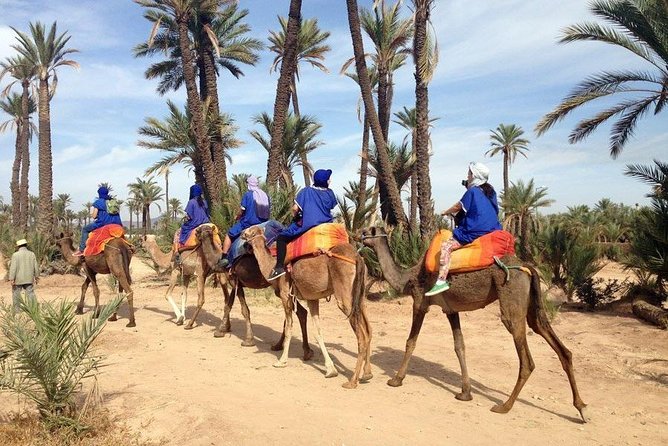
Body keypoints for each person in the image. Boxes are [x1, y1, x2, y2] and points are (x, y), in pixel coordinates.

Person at [425, 162, 502, 296]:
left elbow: (458, 207)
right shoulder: (491, 192)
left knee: (446, 247)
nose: (467, 175)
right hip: (494, 228)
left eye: (469, 173)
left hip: (475, 229)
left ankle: (441, 281)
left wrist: (444, 212)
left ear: (474, 176)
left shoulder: (472, 191)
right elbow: (495, 210)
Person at [268, 169, 337, 281]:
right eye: (328, 179)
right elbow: (331, 207)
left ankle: (279, 267)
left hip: (308, 225)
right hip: (326, 225)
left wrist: (296, 216)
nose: (330, 180)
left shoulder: (306, 191)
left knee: (281, 238)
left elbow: (295, 209)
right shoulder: (330, 193)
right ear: (325, 181)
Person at [217, 175, 270, 268]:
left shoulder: (248, 195)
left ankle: (224, 257)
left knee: (229, 235)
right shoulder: (264, 195)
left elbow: (242, 211)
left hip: (248, 223)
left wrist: (237, 217)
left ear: (249, 184)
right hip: (263, 223)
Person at [74, 186, 122, 256]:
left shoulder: (98, 202)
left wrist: (95, 214)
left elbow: (94, 216)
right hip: (117, 224)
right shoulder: (113, 202)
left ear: (99, 193)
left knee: (85, 229)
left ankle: (81, 250)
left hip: (103, 223)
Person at [175, 184, 210, 263]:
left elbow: (189, 216)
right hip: (206, 223)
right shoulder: (204, 202)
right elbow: (207, 214)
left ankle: (177, 252)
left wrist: (186, 219)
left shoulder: (191, 202)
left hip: (195, 224)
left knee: (178, 233)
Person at [8, 238, 40, 311]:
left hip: (18, 279)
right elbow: (36, 266)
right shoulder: (32, 254)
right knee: (30, 294)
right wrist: (37, 276)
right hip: (29, 278)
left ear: (18, 246)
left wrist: (12, 278)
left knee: (16, 294)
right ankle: (33, 309)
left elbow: (13, 268)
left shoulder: (15, 255)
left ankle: (17, 310)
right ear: (26, 245)